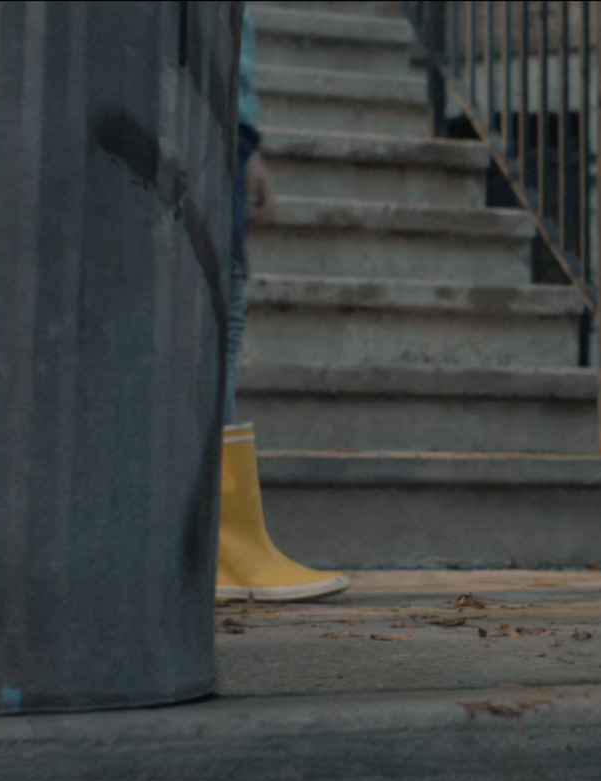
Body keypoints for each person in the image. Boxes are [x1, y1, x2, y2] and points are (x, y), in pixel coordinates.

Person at [214, 8, 350, 602]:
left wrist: (250, 140)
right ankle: (221, 541)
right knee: (215, 313)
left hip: (217, 109)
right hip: (195, 100)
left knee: (221, 309)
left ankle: (226, 541)